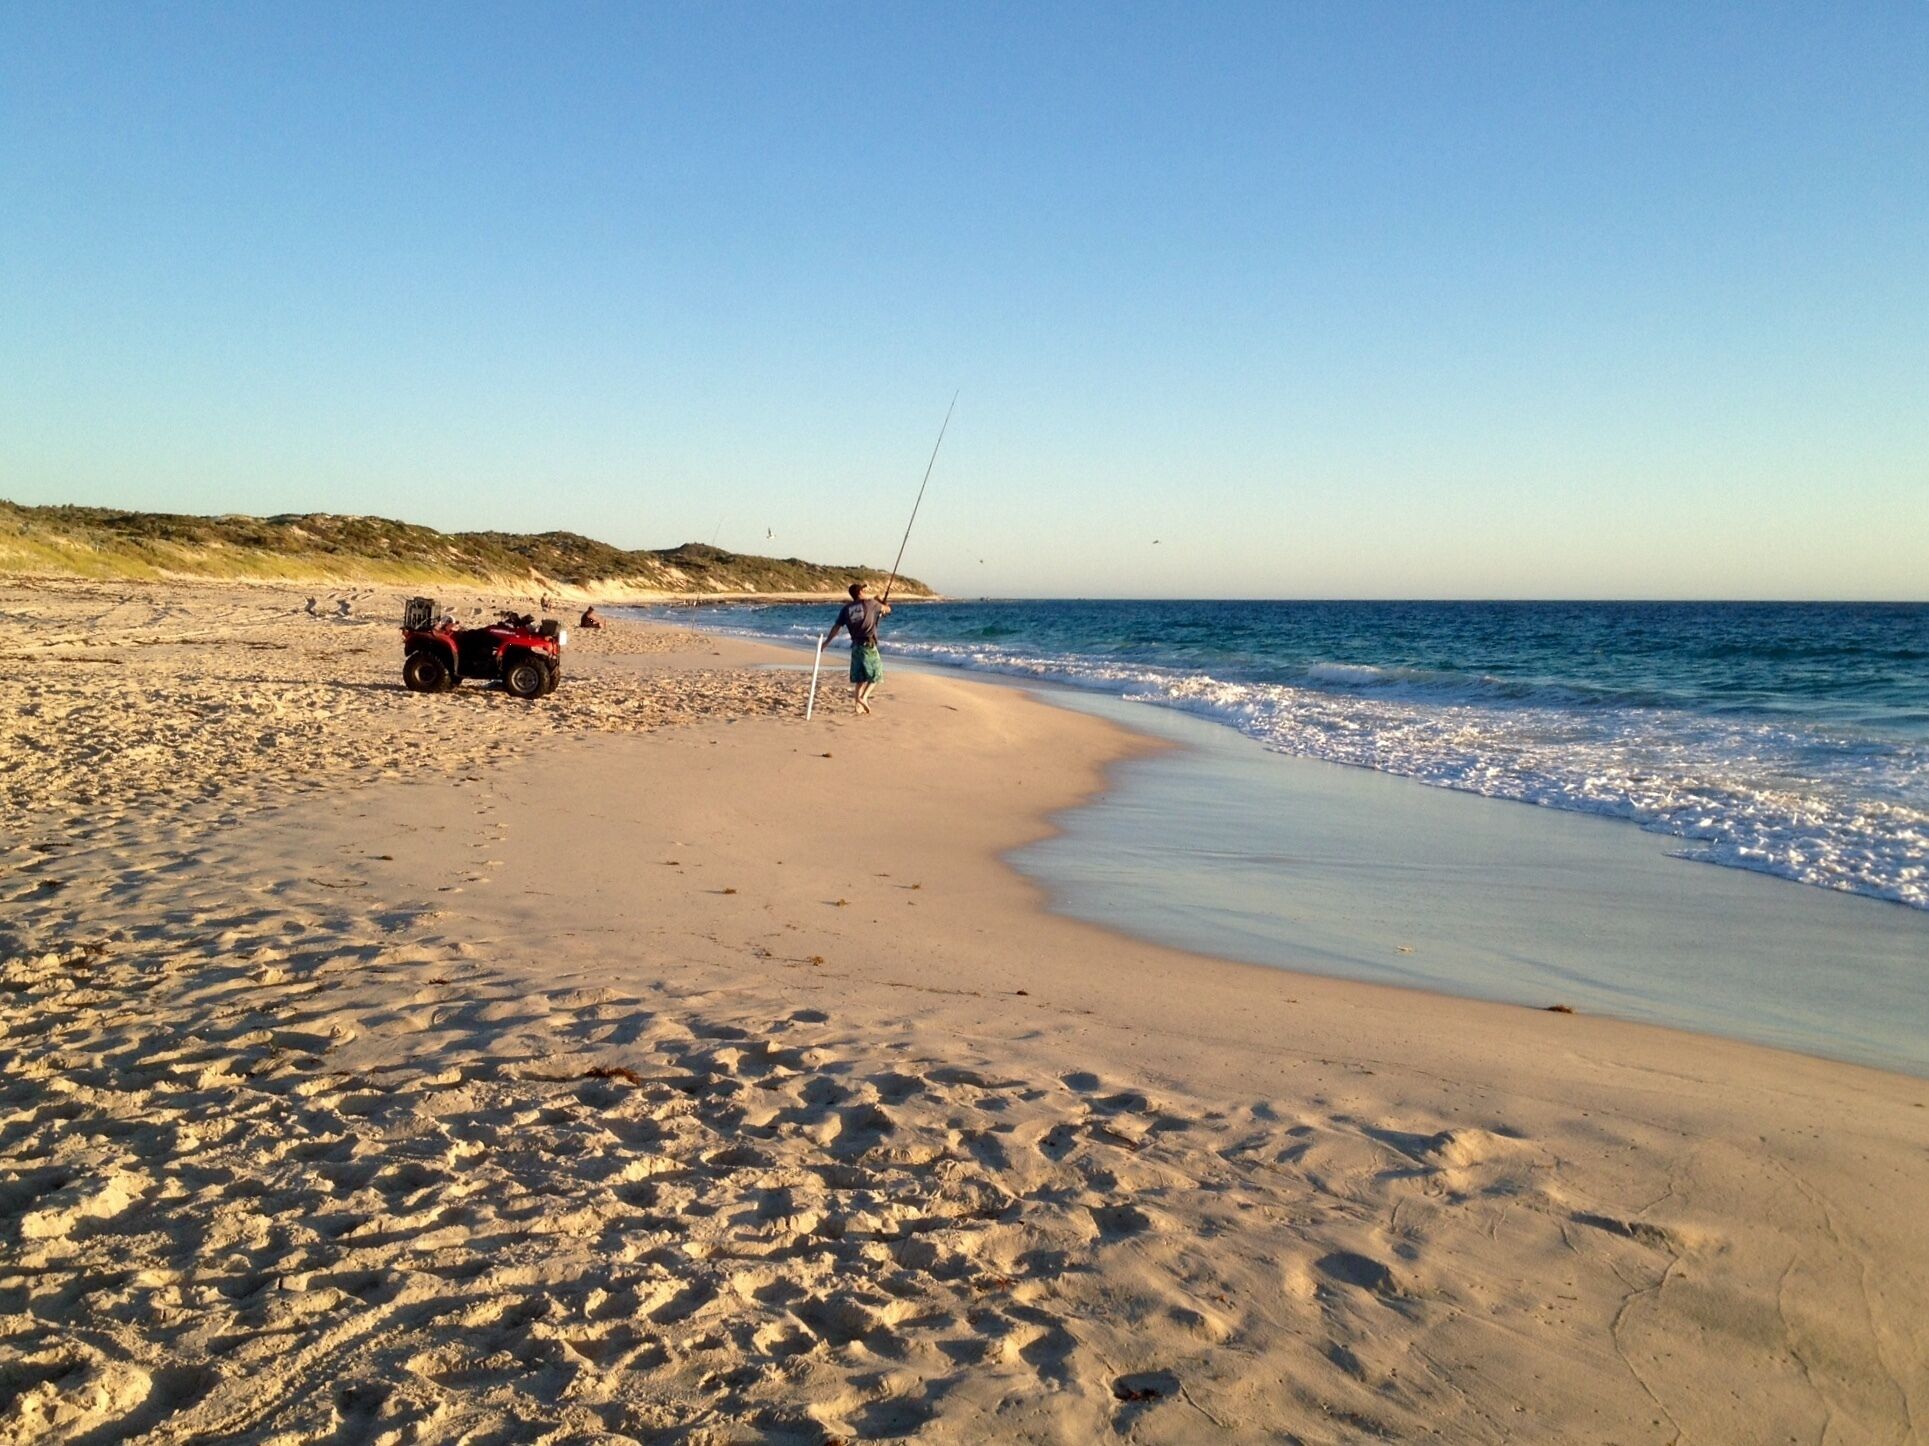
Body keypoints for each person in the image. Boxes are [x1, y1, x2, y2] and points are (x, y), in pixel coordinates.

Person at [824, 580, 891, 714]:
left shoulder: (846, 609)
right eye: (863, 590)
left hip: (855, 646)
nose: (865, 592)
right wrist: (883, 603)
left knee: (860, 678)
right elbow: (887, 610)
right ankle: (863, 698)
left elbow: (836, 627)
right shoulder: (871, 603)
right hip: (868, 645)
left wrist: (827, 642)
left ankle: (857, 707)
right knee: (876, 675)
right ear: (860, 592)